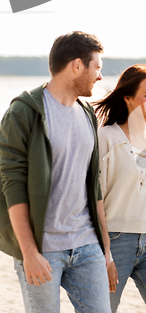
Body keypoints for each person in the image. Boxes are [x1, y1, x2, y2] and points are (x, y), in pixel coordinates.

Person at [0, 31, 111, 312]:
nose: (100, 76)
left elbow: (93, 186)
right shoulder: (24, 112)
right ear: (77, 65)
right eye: (97, 67)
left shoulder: (88, 115)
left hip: (87, 246)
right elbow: (11, 184)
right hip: (42, 247)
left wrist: (106, 252)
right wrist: (28, 253)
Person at [94, 64, 146, 313]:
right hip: (115, 239)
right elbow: (95, 198)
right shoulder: (105, 138)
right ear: (128, 98)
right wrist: (106, 253)